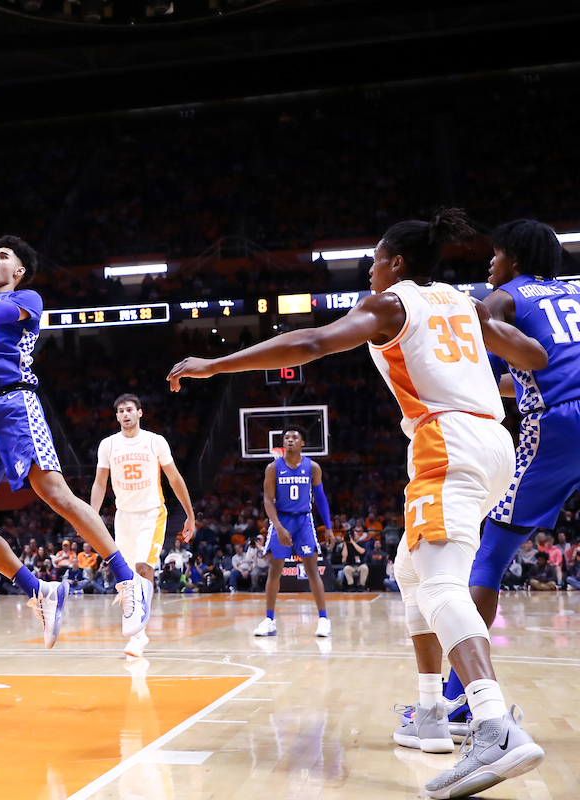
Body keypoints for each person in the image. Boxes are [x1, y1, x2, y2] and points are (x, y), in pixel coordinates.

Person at [167, 208, 548, 798]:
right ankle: (428, 715)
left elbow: (314, 341)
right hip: (496, 444)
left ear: (395, 263)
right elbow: (532, 358)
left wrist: (217, 364)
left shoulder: (391, 304)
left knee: (443, 583)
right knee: (406, 568)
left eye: (374, 259)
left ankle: (495, 724)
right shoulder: (461, 300)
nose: (371, 270)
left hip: (445, 441)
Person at [0, 153, 150, 650]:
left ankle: (127, 580)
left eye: (4, 256)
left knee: (56, 494)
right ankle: (40, 591)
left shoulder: (26, 303)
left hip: (14, 405)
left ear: (21, 271)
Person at [440, 220, 580, 728]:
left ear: (514, 259)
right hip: (570, 408)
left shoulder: (506, 296)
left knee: (488, 556)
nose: (490, 265)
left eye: (495, 256)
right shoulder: (570, 295)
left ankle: (460, 699)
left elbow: (480, 325)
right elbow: (534, 373)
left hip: (560, 424)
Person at [90, 393, 196, 657]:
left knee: (142, 567)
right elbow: (100, 483)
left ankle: (138, 635)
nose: (125, 414)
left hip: (151, 513)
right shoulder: (108, 445)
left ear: (140, 413)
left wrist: (190, 514)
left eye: (130, 410)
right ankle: (138, 632)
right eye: (121, 411)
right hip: (123, 516)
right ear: (116, 416)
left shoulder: (154, 441)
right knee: (126, 578)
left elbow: (174, 478)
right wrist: (91, 516)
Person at [241, 427, 333, 637]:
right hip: (281, 519)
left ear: (303, 443)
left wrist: (328, 527)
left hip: (304, 519)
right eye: (286, 438)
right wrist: (279, 527)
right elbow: (267, 500)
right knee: (274, 571)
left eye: (294, 437)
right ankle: (269, 620)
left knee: (312, 569)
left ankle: (323, 619)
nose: (290, 440)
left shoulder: (313, 467)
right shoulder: (273, 468)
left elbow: (320, 498)